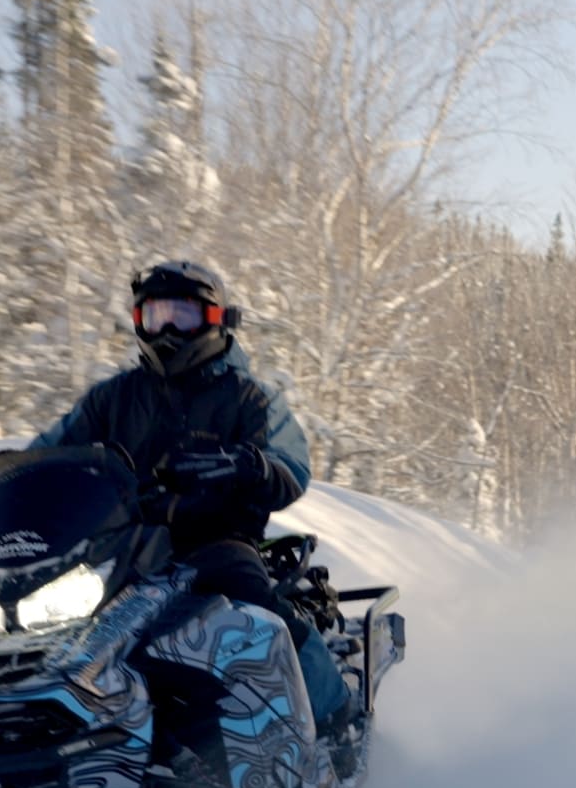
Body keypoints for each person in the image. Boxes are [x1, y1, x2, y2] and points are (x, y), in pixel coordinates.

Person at [26, 259, 357, 740]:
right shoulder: (115, 397)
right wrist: (2, 474)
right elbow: (52, 448)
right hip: (122, 547)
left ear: (215, 320)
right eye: (154, 317)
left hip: (216, 542)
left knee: (260, 610)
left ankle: (330, 716)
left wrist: (252, 464)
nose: (167, 331)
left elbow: (292, 467)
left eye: (181, 317)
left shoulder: (248, 398)